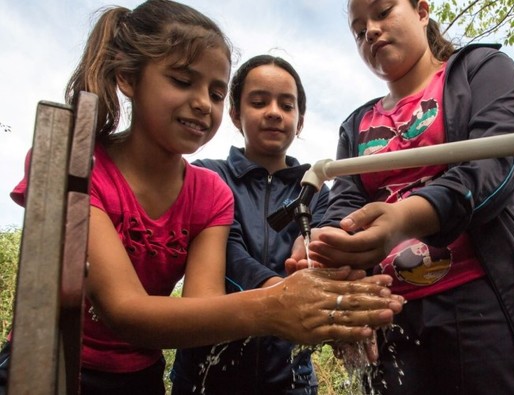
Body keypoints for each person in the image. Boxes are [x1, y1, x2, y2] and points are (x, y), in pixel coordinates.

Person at [3, 1, 405, 394]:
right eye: (181, 80)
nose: (201, 103)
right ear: (127, 76)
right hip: (48, 362)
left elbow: (204, 309)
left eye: (214, 92)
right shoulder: (79, 165)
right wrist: (277, 302)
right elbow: (123, 310)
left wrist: (329, 289)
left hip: (142, 375)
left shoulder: (210, 193)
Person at [287, 0, 514, 394]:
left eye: (382, 12)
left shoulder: (481, 69)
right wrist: (325, 249)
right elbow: (343, 203)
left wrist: (404, 218)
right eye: (358, 29)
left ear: (422, 11)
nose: (370, 31)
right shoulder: (356, 124)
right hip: (391, 313)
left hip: (486, 301)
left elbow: (492, 165)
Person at [170, 54, 328, 395]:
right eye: (259, 102)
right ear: (235, 113)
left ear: (299, 121)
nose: (274, 112)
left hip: (292, 382)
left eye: (287, 106)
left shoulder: (315, 189)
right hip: (205, 379)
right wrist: (279, 290)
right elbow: (226, 252)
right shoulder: (208, 175)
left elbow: (327, 251)